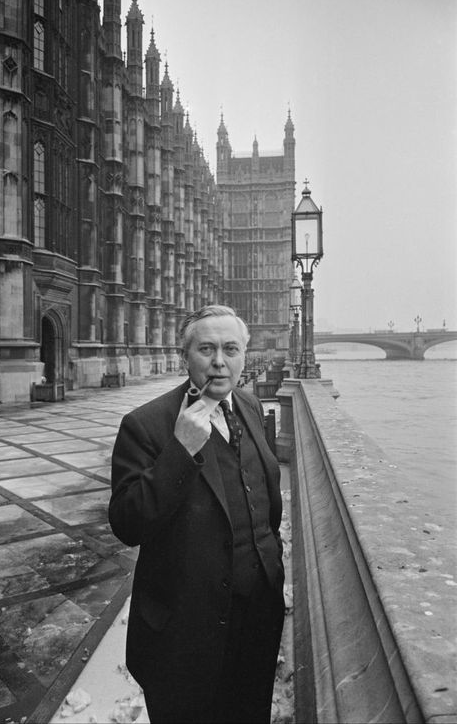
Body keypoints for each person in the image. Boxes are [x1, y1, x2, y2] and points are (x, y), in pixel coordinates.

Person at [109, 305, 285, 723]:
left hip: (257, 618)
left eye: (231, 349)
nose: (219, 361)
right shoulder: (145, 425)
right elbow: (127, 524)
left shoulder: (250, 407)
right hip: (183, 634)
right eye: (206, 349)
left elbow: (265, 504)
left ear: (245, 354)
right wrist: (180, 452)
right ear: (184, 355)